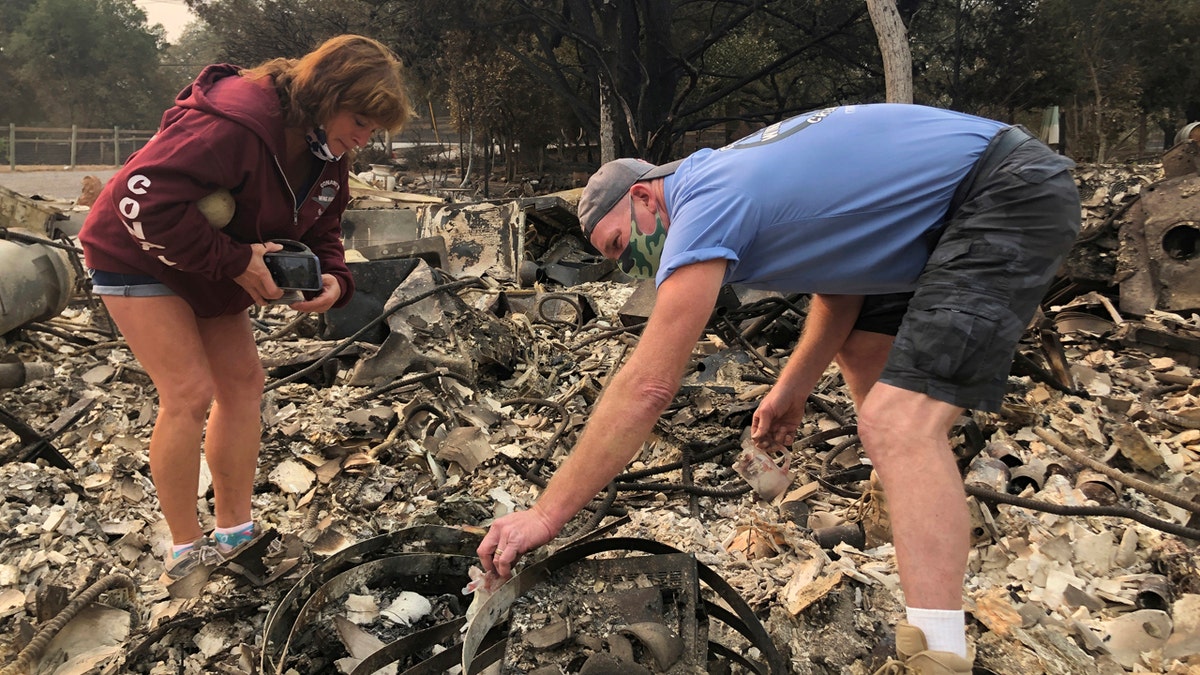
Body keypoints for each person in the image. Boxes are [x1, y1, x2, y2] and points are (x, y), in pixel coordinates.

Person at [477, 104, 1080, 674]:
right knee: (867, 365)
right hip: (926, 222)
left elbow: (649, 386)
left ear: (643, 196)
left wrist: (547, 514)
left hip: (1001, 192)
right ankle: (917, 521)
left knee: (899, 425)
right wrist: (791, 388)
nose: (629, 265)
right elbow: (841, 290)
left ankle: (938, 655)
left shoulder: (706, 196)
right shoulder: (730, 177)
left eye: (619, 245)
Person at [79, 34, 412, 584]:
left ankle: (235, 532)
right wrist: (234, 261)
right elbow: (136, 201)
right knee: (187, 392)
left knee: (243, 384)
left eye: (372, 129)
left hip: (209, 263)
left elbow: (324, 223)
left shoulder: (327, 149)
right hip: (136, 253)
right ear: (326, 95)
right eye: (359, 119)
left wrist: (334, 277)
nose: (362, 137)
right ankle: (185, 548)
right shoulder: (233, 122)